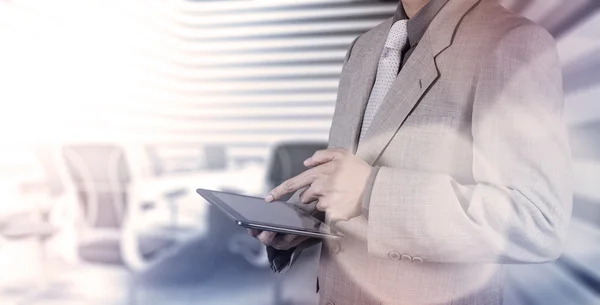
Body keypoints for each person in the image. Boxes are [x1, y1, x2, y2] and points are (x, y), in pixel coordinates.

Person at [249, 0, 572, 304]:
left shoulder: (511, 41)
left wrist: (372, 192)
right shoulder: (365, 47)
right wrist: (305, 222)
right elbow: (352, 178)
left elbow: (535, 222)